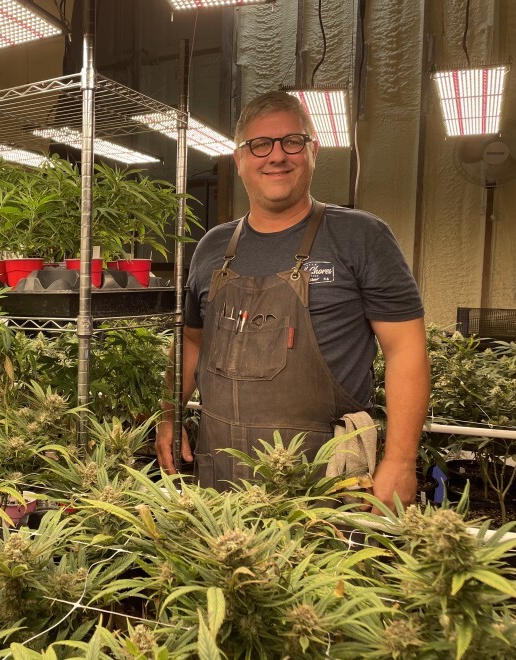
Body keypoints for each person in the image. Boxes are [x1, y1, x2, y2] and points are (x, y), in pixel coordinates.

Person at [154, 90, 430, 510]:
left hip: (327, 481)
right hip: (221, 476)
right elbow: (192, 342)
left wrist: (400, 460)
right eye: (260, 145)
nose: (276, 156)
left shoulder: (361, 236)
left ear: (313, 151)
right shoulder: (212, 247)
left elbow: (405, 348)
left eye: (292, 142)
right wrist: (170, 415)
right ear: (240, 160)